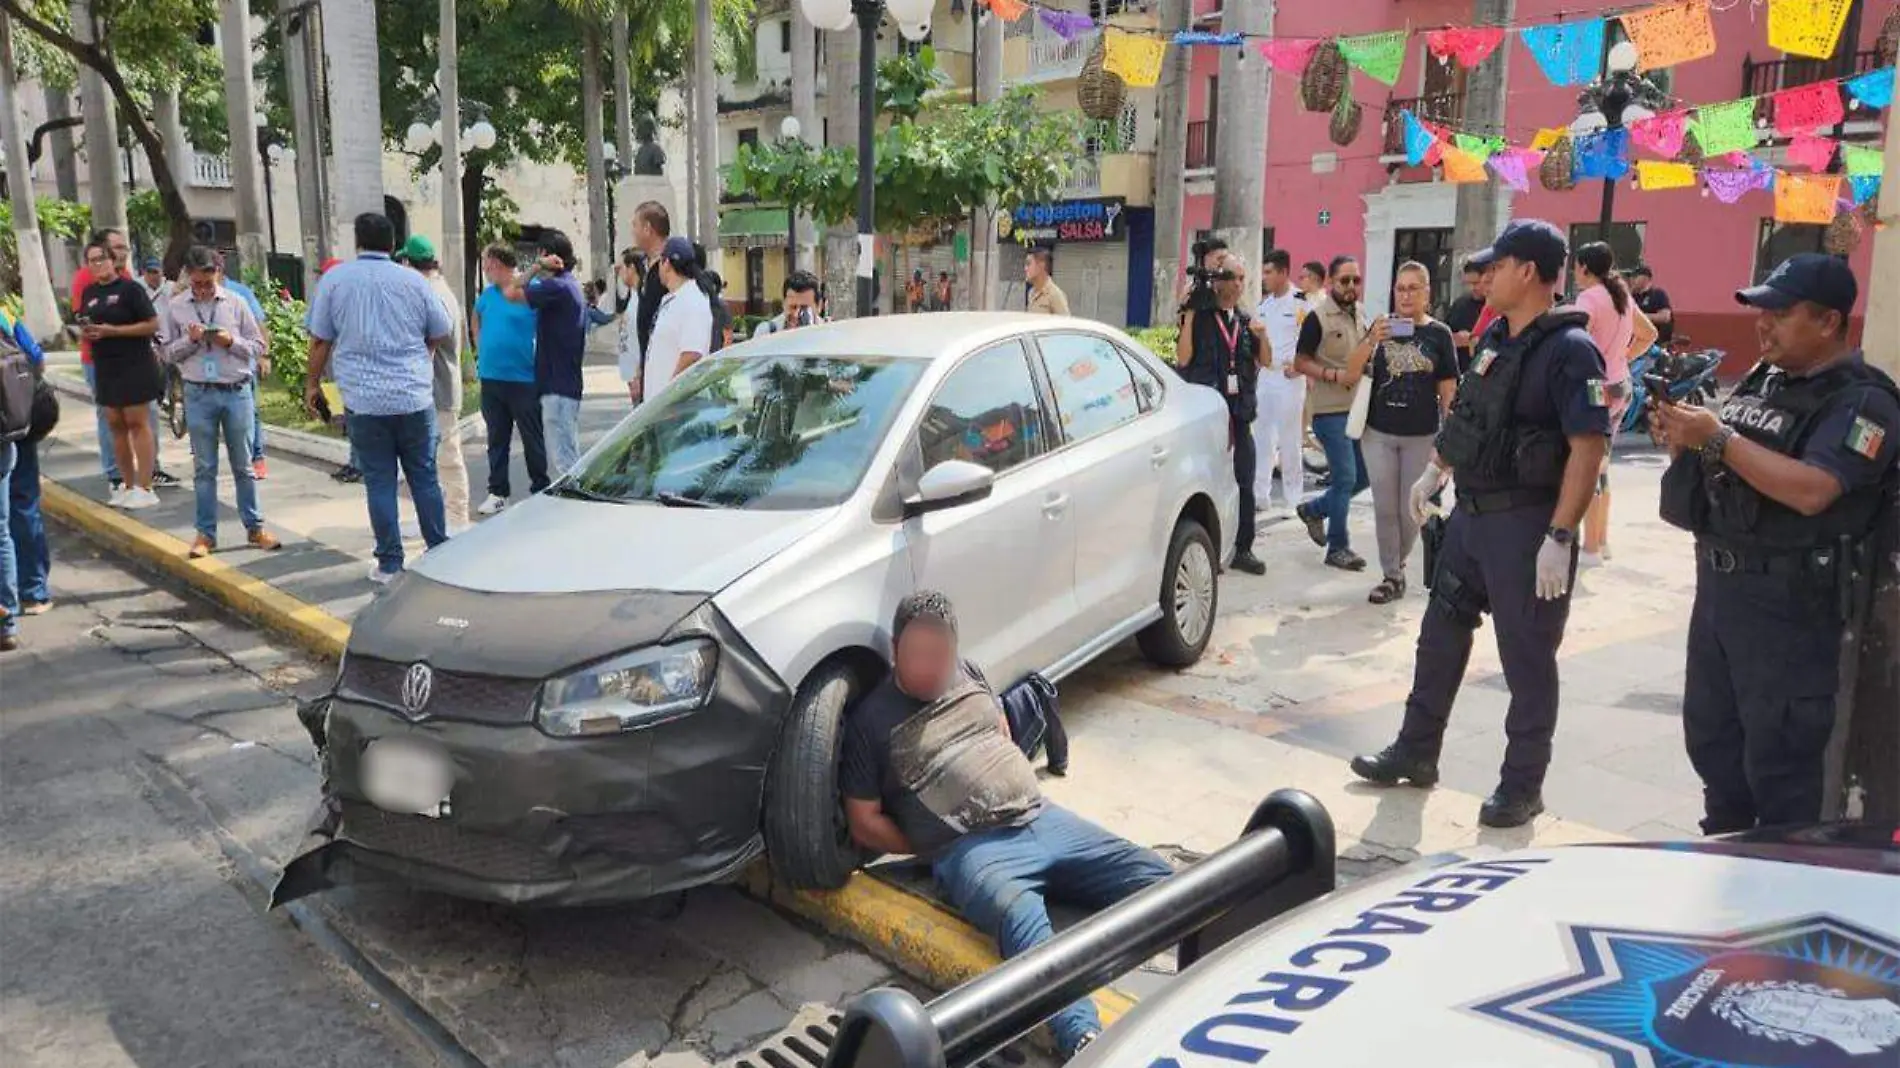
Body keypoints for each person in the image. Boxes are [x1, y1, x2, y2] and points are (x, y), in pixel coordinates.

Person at [1349, 220, 1610, 829]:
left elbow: (1589, 446)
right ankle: (1416, 750)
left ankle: (1522, 785)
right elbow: (1470, 415)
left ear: (1528, 272)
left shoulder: (1571, 350)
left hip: (1527, 527)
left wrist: (1561, 535)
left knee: (1527, 659)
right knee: (1439, 637)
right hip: (1472, 518)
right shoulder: (1497, 336)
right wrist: (1435, 470)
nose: (1484, 277)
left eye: (1497, 266)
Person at [841, 591, 1174, 1061]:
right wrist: (931, 842)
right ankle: (1084, 1041)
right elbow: (863, 822)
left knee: (1156, 877)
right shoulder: (870, 722)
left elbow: (1001, 732)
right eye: (919, 655)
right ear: (896, 651)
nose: (932, 666)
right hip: (975, 851)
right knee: (1025, 927)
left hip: (1043, 817)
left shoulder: (970, 673)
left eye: (941, 654)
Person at [1653, 254, 1898, 834]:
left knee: (1782, 766)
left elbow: (1815, 490)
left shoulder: (1865, 403)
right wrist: (1685, 441)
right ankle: (1725, 854)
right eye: (1762, 312)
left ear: (1829, 322)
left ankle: (1781, 877)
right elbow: (1730, 473)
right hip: (1722, 594)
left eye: (1780, 313)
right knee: (1715, 742)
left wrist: (1717, 436)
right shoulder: (1766, 380)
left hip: (1792, 610)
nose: (1764, 325)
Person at [303, 212, 453, 584]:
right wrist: (423, 355)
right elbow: (441, 328)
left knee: (381, 482)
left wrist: (312, 384)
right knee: (425, 478)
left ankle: (389, 564)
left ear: (358, 242)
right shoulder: (414, 282)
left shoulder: (336, 281)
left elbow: (321, 339)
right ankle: (438, 552)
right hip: (413, 398)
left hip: (365, 403)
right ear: (393, 243)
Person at [1337, 261, 1459, 604]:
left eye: (1412, 288)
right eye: (1400, 288)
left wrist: (1449, 441)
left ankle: (1399, 561)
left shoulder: (1439, 335)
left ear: (1427, 294)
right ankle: (1391, 574)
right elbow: (1352, 369)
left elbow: (1448, 390)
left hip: (1422, 435)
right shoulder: (1381, 327)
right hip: (1378, 432)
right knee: (1384, 507)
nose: (1405, 295)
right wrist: (1372, 339)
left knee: (1411, 509)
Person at [156, 245, 281, 558]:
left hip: (236, 391)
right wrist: (191, 340)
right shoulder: (176, 308)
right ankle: (205, 534)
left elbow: (257, 346)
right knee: (204, 467)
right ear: (188, 277)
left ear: (218, 275)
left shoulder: (236, 303)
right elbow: (166, 352)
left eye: (208, 283)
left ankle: (255, 527)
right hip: (198, 392)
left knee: (244, 465)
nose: (202, 290)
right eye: (197, 283)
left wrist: (230, 341)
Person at [1177, 251, 1269, 575]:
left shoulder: (1245, 322)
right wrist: (1187, 315)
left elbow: (1266, 360)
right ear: (1219, 281)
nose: (1240, 284)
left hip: (1239, 414)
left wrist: (1262, 335)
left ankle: (1244, 547)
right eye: (1235, 277)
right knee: (1206, 483)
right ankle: (1209, 550)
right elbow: (1184, 359)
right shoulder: (1200, 318)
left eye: (1244, 278)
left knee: (1245, 480)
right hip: (1208, 418)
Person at [74, 228, 178, 493]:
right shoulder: (88, 292)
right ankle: (126, 483)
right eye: (92, 260)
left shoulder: (131, 288)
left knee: (137, 422)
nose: (98, 265)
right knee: (115, 424)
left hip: (134, 363)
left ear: (113, 260)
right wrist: (88, 331)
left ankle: (145, 484)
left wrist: (114, 331)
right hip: (105, 364)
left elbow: (151, 324)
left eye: (102, 258)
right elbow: (84, 317)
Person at [1571, 242, 1657, 566]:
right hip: (1621, 385)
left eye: (1576, 267)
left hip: (1595, 389)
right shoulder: (1621, 293)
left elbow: (1576, 342)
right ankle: (1602, 541)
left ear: (1584, 268)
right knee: (1603, 466)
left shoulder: (1589, 298)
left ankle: (1590, 548)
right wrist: (1623, 356)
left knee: (1589, 466)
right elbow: (1649, 334)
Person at [1292, 255, 1372, 571]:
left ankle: (1314, 509)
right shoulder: (1317, 318)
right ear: (1331, 283)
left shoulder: (1362, 314)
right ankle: (1338, 547)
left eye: (1356, 280)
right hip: (1329, 411)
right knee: (1345, 478)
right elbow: (1300, 362)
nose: (1351, 286)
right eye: (1344, 281)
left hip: (1359, 409)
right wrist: (1333, 375)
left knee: (1362, 477)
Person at [400, 235, 472, 531]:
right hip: (431, 390)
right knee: (428, 462)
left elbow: (431, 341)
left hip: (439, 389)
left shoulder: (435, 295)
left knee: (448, 459)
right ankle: (432, 517)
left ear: (410, 264)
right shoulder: (435, 290)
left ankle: (457, 519)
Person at [473, 245, 549, 515]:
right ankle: (498, 491)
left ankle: (540, 487)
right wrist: (481, 350)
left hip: (524, 377)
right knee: (497, 437)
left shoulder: (529, 290)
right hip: (492, 378)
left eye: (487, 264)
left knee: (532, 436)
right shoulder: (487, 295)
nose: (484, 270)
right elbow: (476, 318)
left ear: (497, 263)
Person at [508, 229, 588, 476]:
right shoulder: (570, 285)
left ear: (547, 255)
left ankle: (573, 513)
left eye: (540, 254)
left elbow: (512, 291)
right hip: (565, 384)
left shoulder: (557, 286)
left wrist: (535, 267)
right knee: (569, 457)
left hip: (557, 387)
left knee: (565, 464)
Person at [2, 302, 49, 632]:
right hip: (17, 423)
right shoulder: (7, 314)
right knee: (20, 508)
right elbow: (37, 359)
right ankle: (32, 593)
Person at [1252, 249, 1307, 515]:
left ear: (1284, 272)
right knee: (1262, 436)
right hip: (1266, 375)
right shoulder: (1264, 305)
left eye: (1269, 272)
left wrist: (1300, 367)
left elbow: (1312, 340)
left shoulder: (1301, 303)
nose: (1265, 278)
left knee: (1290, 439)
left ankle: (1293, 497)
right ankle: (1260, 494)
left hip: (1289, 377)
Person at [216, 259, 273, 480]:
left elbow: (260, 325)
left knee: (251, 413)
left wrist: (264, 356)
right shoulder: (194, 295)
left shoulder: (240, 293)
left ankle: (256, 457)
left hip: (242, 365)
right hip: (210, 371)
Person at [642, 236, 714, 404]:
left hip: (675, 409)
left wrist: (667, 397)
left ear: (666, 263)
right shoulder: (673, 299)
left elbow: (692, 354)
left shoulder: (693, 299)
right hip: (658, 407)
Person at [629, 202, 673, 393]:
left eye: (635, 225)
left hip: (667, 370)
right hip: (650, 366)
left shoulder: (670, 267)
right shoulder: (647, 267)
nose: (633, 232)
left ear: (648, 228)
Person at [1443, 259, 1489, 374]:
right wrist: (1455, 339)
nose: (1472, 288)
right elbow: (1443, 334)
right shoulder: (1460, 304)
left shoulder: (1498, 306)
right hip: (1461, 371)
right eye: (1468, 284)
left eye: (1476, 283)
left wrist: (1473, 340)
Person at [613, 248, 646, 403]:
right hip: (631, 375)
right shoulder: (632, 296)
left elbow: (644, 337)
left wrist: (638, 374)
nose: (620, 272)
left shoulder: (642, 300)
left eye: (622, 268)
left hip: (638, 377)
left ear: (632, 268)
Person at [752, 269, 823, 338]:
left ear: (819, 306)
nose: (796, 314)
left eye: (804, 308)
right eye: (793, 307)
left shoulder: (829, 336)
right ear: (784, 304)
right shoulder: (765, 333)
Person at [1629, 265, 1673, 347]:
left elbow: (1665, 317)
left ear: (1646, 278)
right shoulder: (1631, 296)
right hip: (1635, 342)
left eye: (1635, 277)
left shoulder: (1657, 294)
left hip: (1656, 342)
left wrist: (1642, 317)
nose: (1632, 279)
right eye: (1631, 277)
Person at [1024, 247, 1069, 316]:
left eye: (1028, 264)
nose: (1025, 269)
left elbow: (1065, 324)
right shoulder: (1031, 293)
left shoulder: (1055, 295)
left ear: (1041, 265)